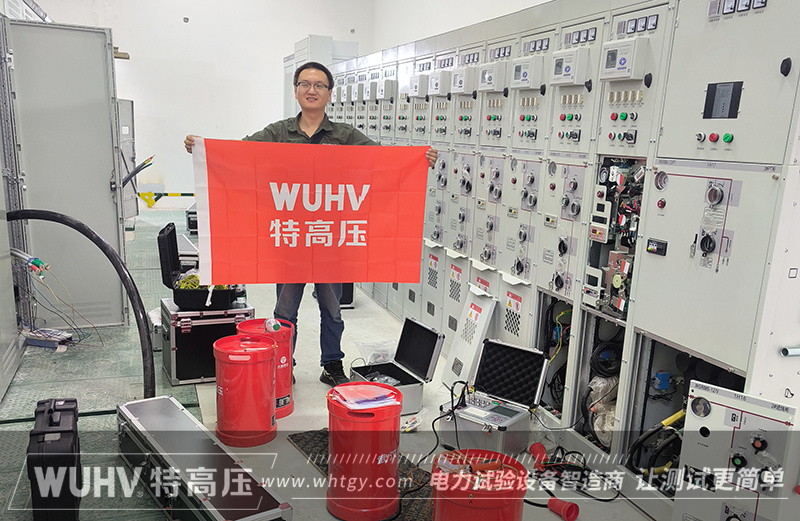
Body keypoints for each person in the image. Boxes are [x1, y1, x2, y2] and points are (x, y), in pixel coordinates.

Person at [185, 61, 438, 387]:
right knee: (285, 312)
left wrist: (418, 160)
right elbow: (239, 153)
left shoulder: (344, 136)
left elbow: (383, 161)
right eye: (305, 84)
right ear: (296, 91)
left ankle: (331, 364)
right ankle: (282, 364)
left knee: (332, 310)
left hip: (330, 239)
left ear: (329, 93)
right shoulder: (278, 133)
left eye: (319, 85)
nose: (312, 90)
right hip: (291, 239)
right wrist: (204, 149)